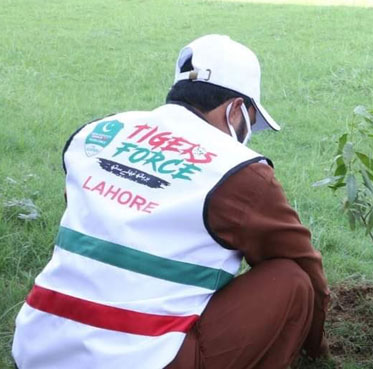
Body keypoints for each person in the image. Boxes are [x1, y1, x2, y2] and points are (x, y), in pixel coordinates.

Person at [12, 34, 329, 369]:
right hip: (139, 359)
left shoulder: (98, 133)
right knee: (291, 279)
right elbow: (302, 261)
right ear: (237, 109)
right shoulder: (239, 170)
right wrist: (317, 344)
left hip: (37, 348)